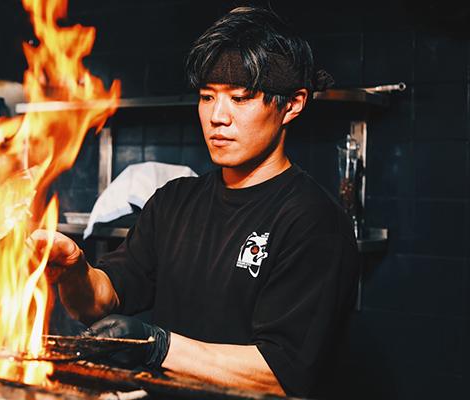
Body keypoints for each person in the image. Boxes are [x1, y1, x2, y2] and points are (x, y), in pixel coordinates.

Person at [31, 5, 358, 398]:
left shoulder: (313, 222)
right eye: (207, 97)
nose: (217, 116)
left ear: (292, 104)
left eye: (241, 98)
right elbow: (103, 299)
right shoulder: (174, 202)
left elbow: (282, 373)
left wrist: (158, 346)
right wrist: (74, 270)